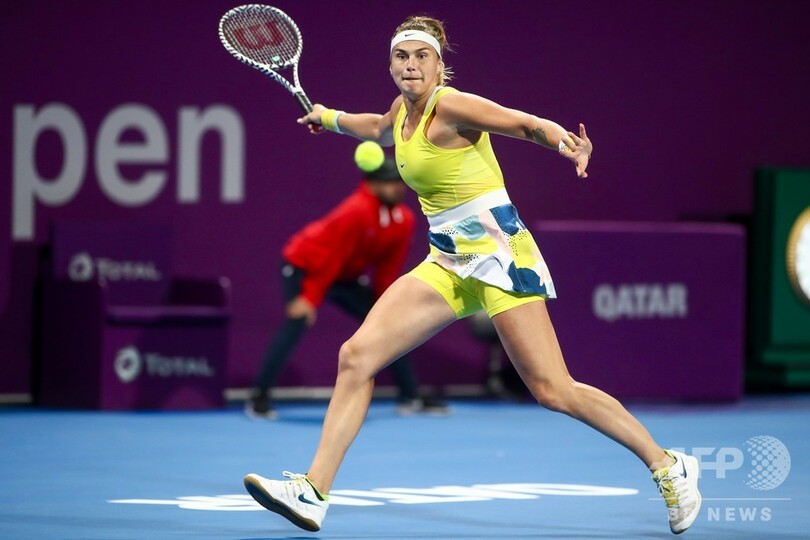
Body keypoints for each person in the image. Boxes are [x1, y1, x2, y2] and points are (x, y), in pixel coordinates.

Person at [243, 15, 701, 535]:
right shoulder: (401, 111)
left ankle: (668, 465)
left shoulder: (453, 106)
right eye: (401, 56)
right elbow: (375, 128)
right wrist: (328, 118)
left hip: (501, 255)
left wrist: (566, 144)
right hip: (447, 259)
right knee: (356, 356)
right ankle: (314, 491)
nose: (411, 65)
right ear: (390, 64)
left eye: (422, 56)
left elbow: (522, 123)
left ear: (440, 65)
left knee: (553, 389)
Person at [246, 142, 449, 419]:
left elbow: (387, 268)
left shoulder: (404, 219)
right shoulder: (356, 210)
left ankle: (410, 396)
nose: (398, 188)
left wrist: (385, 302)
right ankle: (258, 398)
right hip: (305, 266)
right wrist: (309, 299)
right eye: (390, 183)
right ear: (373, 185)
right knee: (297, 322)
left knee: (390, 325)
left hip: (344, 276)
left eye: (399, 183)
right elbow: (331, 258)